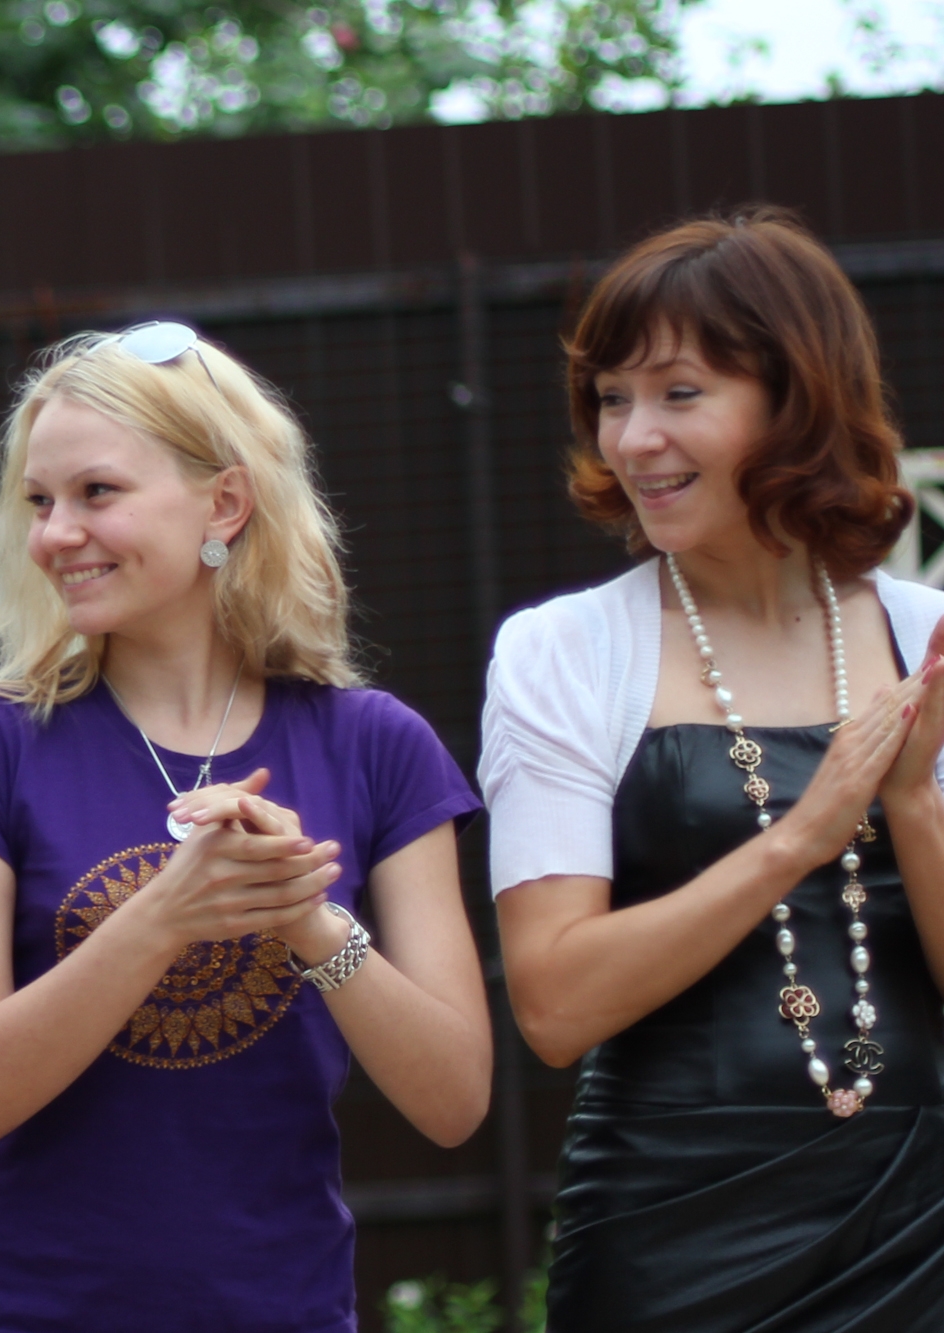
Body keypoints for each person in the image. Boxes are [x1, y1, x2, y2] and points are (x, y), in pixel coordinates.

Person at [0, 322, 493, 1333]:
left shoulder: (375, 745)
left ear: (224, 503)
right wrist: (163, 916)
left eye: (96, 492)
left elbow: (453, 1099)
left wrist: (308, 921)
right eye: (39, 502)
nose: (55, 534)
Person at [481, 208, 944, 1330]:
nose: (633, 438)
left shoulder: (922, 635)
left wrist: (909, 799)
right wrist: (799, 838)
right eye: (611, 399)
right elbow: (553, 1003)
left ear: (797, 400)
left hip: (919, 1218)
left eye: (679, 393)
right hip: (666, 1236)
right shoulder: (563, 652)